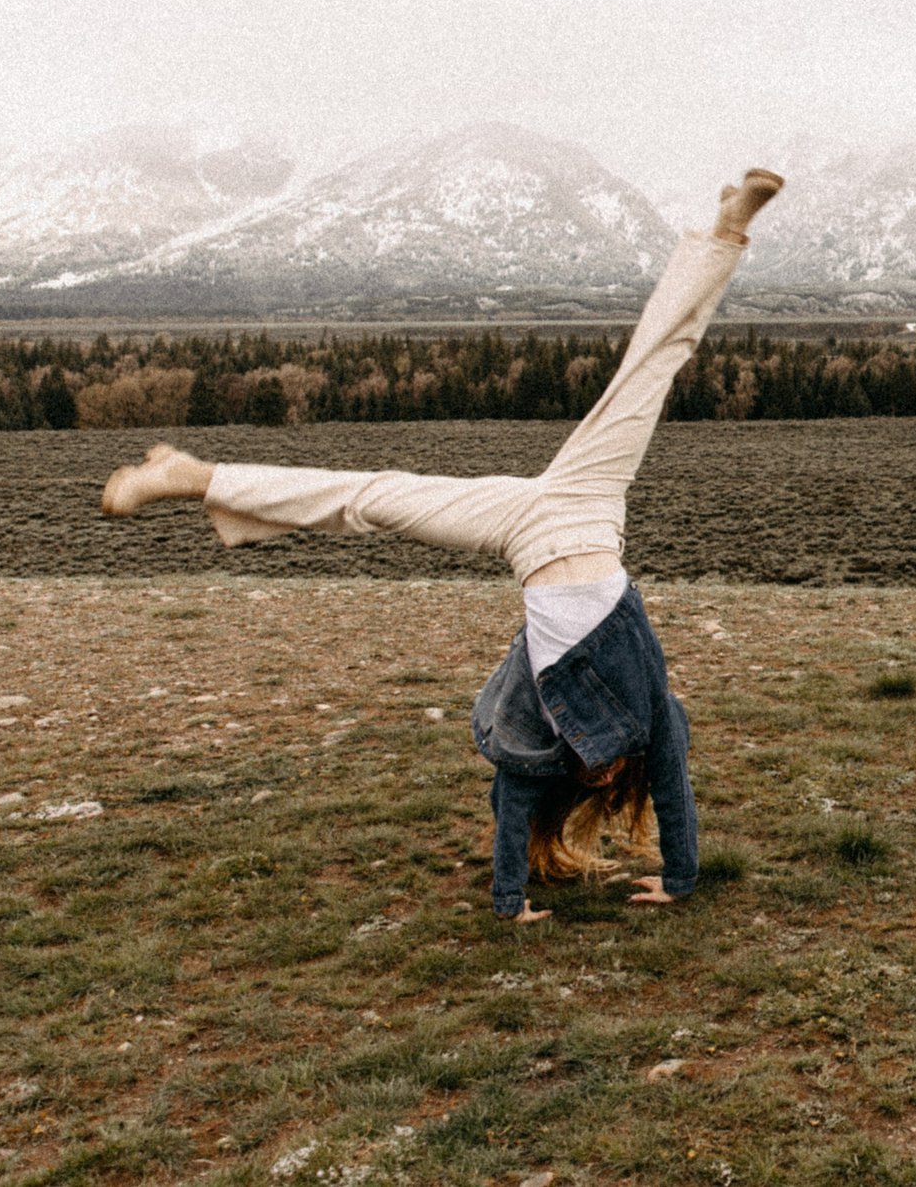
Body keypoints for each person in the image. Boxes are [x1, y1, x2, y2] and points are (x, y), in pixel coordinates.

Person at [99, 169, 785, 923]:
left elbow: (514, 803)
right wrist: (682, 878)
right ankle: (727, 229)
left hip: (526, 532)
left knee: (369, 496)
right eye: (614, 773)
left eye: (597, 777)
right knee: (650, 369)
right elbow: (677, 792)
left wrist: (510, 901)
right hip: (590, 509)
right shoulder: (657, 722)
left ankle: (191, 478)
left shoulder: (535, 742)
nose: (608, 770)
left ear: (578, 785)